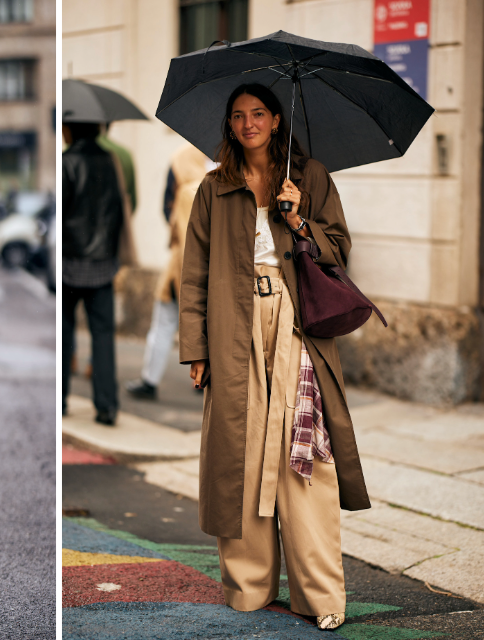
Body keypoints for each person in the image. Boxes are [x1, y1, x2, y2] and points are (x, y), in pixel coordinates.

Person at [178, 83, 371, 631]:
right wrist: (196, 348)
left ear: (277, 119)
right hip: (232, 327)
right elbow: (194, 273)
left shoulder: (311, 178)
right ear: (229, 124)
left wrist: (298, 219)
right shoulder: (214, 188)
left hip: (296, 323)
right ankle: (249, 586)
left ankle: (320, 593)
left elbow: (339, 251)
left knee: (303, 455)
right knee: (238, 453)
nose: (248, 124)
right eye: (238, 115)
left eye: (258, 113)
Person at [125, 143, 214, 399]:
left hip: (186, 259)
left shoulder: (183, 167)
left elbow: (168, 208)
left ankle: (152, 379)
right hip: (202, 261)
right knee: (201, 323)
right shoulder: (239, 163)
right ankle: (199, 379)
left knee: (166, 321)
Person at [62, 121, 125, 425]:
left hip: (70, 264)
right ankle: (106, 406)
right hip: (103, 264)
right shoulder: (111, 161)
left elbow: (63, 213)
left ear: (71, 129)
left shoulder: (67, 162)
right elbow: (120, 209)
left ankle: (61, 400)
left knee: (65, 333)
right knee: (103, 335)